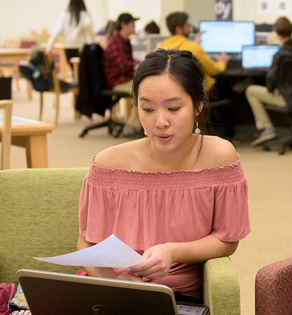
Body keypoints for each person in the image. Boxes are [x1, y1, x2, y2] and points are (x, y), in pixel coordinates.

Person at [77, 49, 250, 303]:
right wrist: (114, 282)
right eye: (147, 109)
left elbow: (227, 240)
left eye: (173, 108)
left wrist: (172, 251)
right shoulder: (108, 163)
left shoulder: (219, 157)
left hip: (176, 296)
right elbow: (87, 243)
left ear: (198, 105)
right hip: (110, 290)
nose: (160, 121)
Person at [245, 16, 292, 146]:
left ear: (277, 34)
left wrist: (273, 88)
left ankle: (267, 127)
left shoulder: (280, 55)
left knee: (250, 90)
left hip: (288, 98)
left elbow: (270, 82)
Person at [158, 12, 229, 92]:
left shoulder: (160, 48)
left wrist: (194, 44)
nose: (190, 28)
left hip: (172, 91)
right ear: (178, 29)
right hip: (198, 93)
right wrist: (222, 61)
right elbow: (214, 70)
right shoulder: (193, 47)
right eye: (187, 25)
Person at [102, 12, 141, 135]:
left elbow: (127, 62)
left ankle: (138, 125)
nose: (134, 26)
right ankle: (132, 126)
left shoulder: (124, 41)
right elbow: (122, 66)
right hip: (117, 81)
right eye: (132, 23)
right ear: (124, 25)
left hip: (124, 78)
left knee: (145, 87)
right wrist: (139, 64)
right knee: (141, 90)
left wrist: (139, 63)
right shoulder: (116, 42)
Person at [46, 0, 94, 66]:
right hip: (81, 47)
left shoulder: (64, 15)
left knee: (73, 68)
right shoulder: (84, 15)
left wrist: (49, 47)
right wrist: (93, 40)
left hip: (68, 47)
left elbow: (56, 31)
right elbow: (89, 28)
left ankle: (75, 75)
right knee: (82, 70)